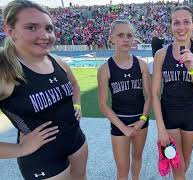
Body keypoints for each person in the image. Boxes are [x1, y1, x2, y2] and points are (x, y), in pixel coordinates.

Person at [0, 0, 88, 179]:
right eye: (32, 27)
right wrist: (20, 148)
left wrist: (77, 105)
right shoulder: (5, 72)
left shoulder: (57, 61)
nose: (45, 35)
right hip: (42, 157)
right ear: (10, 31)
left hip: (77, 141)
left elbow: (75, 85)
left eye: (49, 28)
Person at [152, 6, 193, 179]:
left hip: (192, 115)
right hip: (169, 115)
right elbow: (155, 93)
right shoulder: (161, 54)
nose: (181, 27)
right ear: (171, 26)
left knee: (185, 160)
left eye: (186, 22)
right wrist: (161, 129)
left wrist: (192, 69)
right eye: (176, 22)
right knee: (177, 166)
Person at [97, 20, 151, 180]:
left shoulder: (141, 65)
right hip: (119, 123)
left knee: (137, 157)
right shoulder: (105, 69)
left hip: (141, 121)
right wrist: (123, 128)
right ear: (112, 38)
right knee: (122, 170)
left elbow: (149, 96)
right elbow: (103, 105)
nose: (125, 39)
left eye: (129, 35)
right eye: (120, 35)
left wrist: (142, 120)